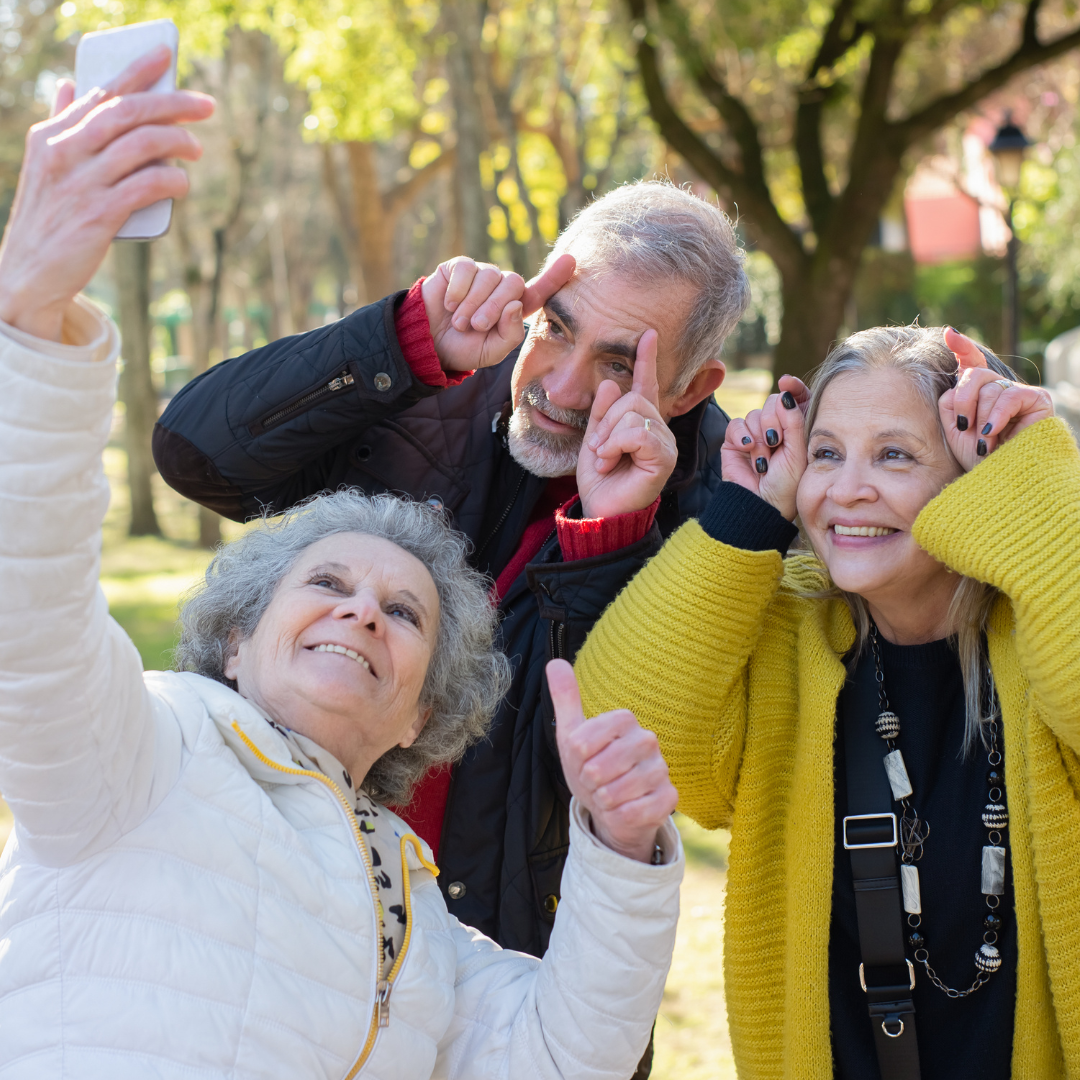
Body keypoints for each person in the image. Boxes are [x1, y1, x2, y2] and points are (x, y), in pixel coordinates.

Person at [0, 51, 686, 1079]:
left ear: (422, 716)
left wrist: (623, 854)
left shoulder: (412, 916)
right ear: (233, 642)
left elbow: (563, 1053)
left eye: (404, 615)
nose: (363, 612)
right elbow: (31, 617)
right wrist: (28, 319)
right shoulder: (141, 757)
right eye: (326, 583)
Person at [153, 171, 748, 971]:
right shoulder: (432, 383)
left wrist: (610, 535)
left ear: (691, 388)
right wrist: (400, 338)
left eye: (616, 365)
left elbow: (598, 761)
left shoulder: (726, 517)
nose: (561, 387)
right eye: (556, 328)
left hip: (509, 975)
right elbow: (196, 456)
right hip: (291, 923)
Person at [573, 324, 1080, 1078]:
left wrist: (1037, 482)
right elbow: (623, 723)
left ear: (978, 477)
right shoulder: (789, 637)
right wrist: (746, 515)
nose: (846, 490)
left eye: (896, 455)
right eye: (827, 454)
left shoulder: (1046, 625)